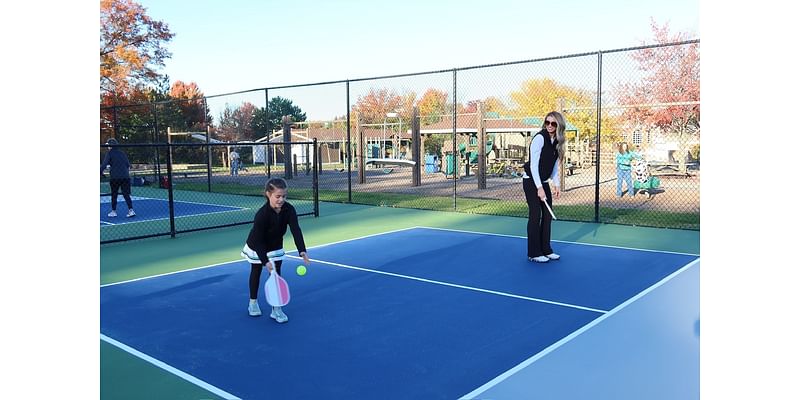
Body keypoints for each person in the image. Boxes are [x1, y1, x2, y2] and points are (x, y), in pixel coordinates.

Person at [240, 178, 311, 323]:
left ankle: (276, 309)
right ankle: (252, 303)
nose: (281, 199)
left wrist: (302, 250)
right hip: (257, 246)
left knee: (277, 275)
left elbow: (295, 229)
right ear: (268, 194)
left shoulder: (289, 209)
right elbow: (259, 240)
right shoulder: (262, 214)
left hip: (275, 245)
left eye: (284, 196)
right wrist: (265, 261)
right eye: (277, 196)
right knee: (256, 271)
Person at [522, 111, 565, 263]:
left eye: (553, 123)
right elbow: (533, 166)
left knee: (547, 215)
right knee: (535, 214)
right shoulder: (539, 138)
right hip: (531, 181)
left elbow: (554, 167)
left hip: (543, 182)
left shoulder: (558, 142)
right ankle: (533, 253)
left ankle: (546, 250)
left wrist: (557, 185)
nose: (550, 126)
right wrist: (539, 188)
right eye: (547, 122)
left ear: (559, 125)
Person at [100, 138, 136, 217]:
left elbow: (104, 165)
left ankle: (113, 211)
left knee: (114, 194)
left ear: (111, 146)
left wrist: (100, 172)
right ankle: (131, 210)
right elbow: (128, 165)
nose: (108, 147)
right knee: (126, 194)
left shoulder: (109, 153)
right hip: (125, 177)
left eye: (108, 145)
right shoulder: (122, 153)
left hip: (115, 177)